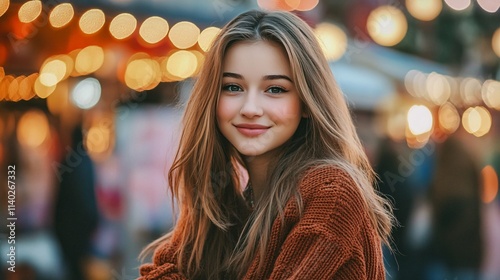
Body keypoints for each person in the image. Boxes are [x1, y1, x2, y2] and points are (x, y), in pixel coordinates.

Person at [139, 10, 393, 279]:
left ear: (307, 103)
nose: (250, 108)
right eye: (233, 87)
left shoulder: (331, 193)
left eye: (275, 89)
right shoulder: (228, 199)